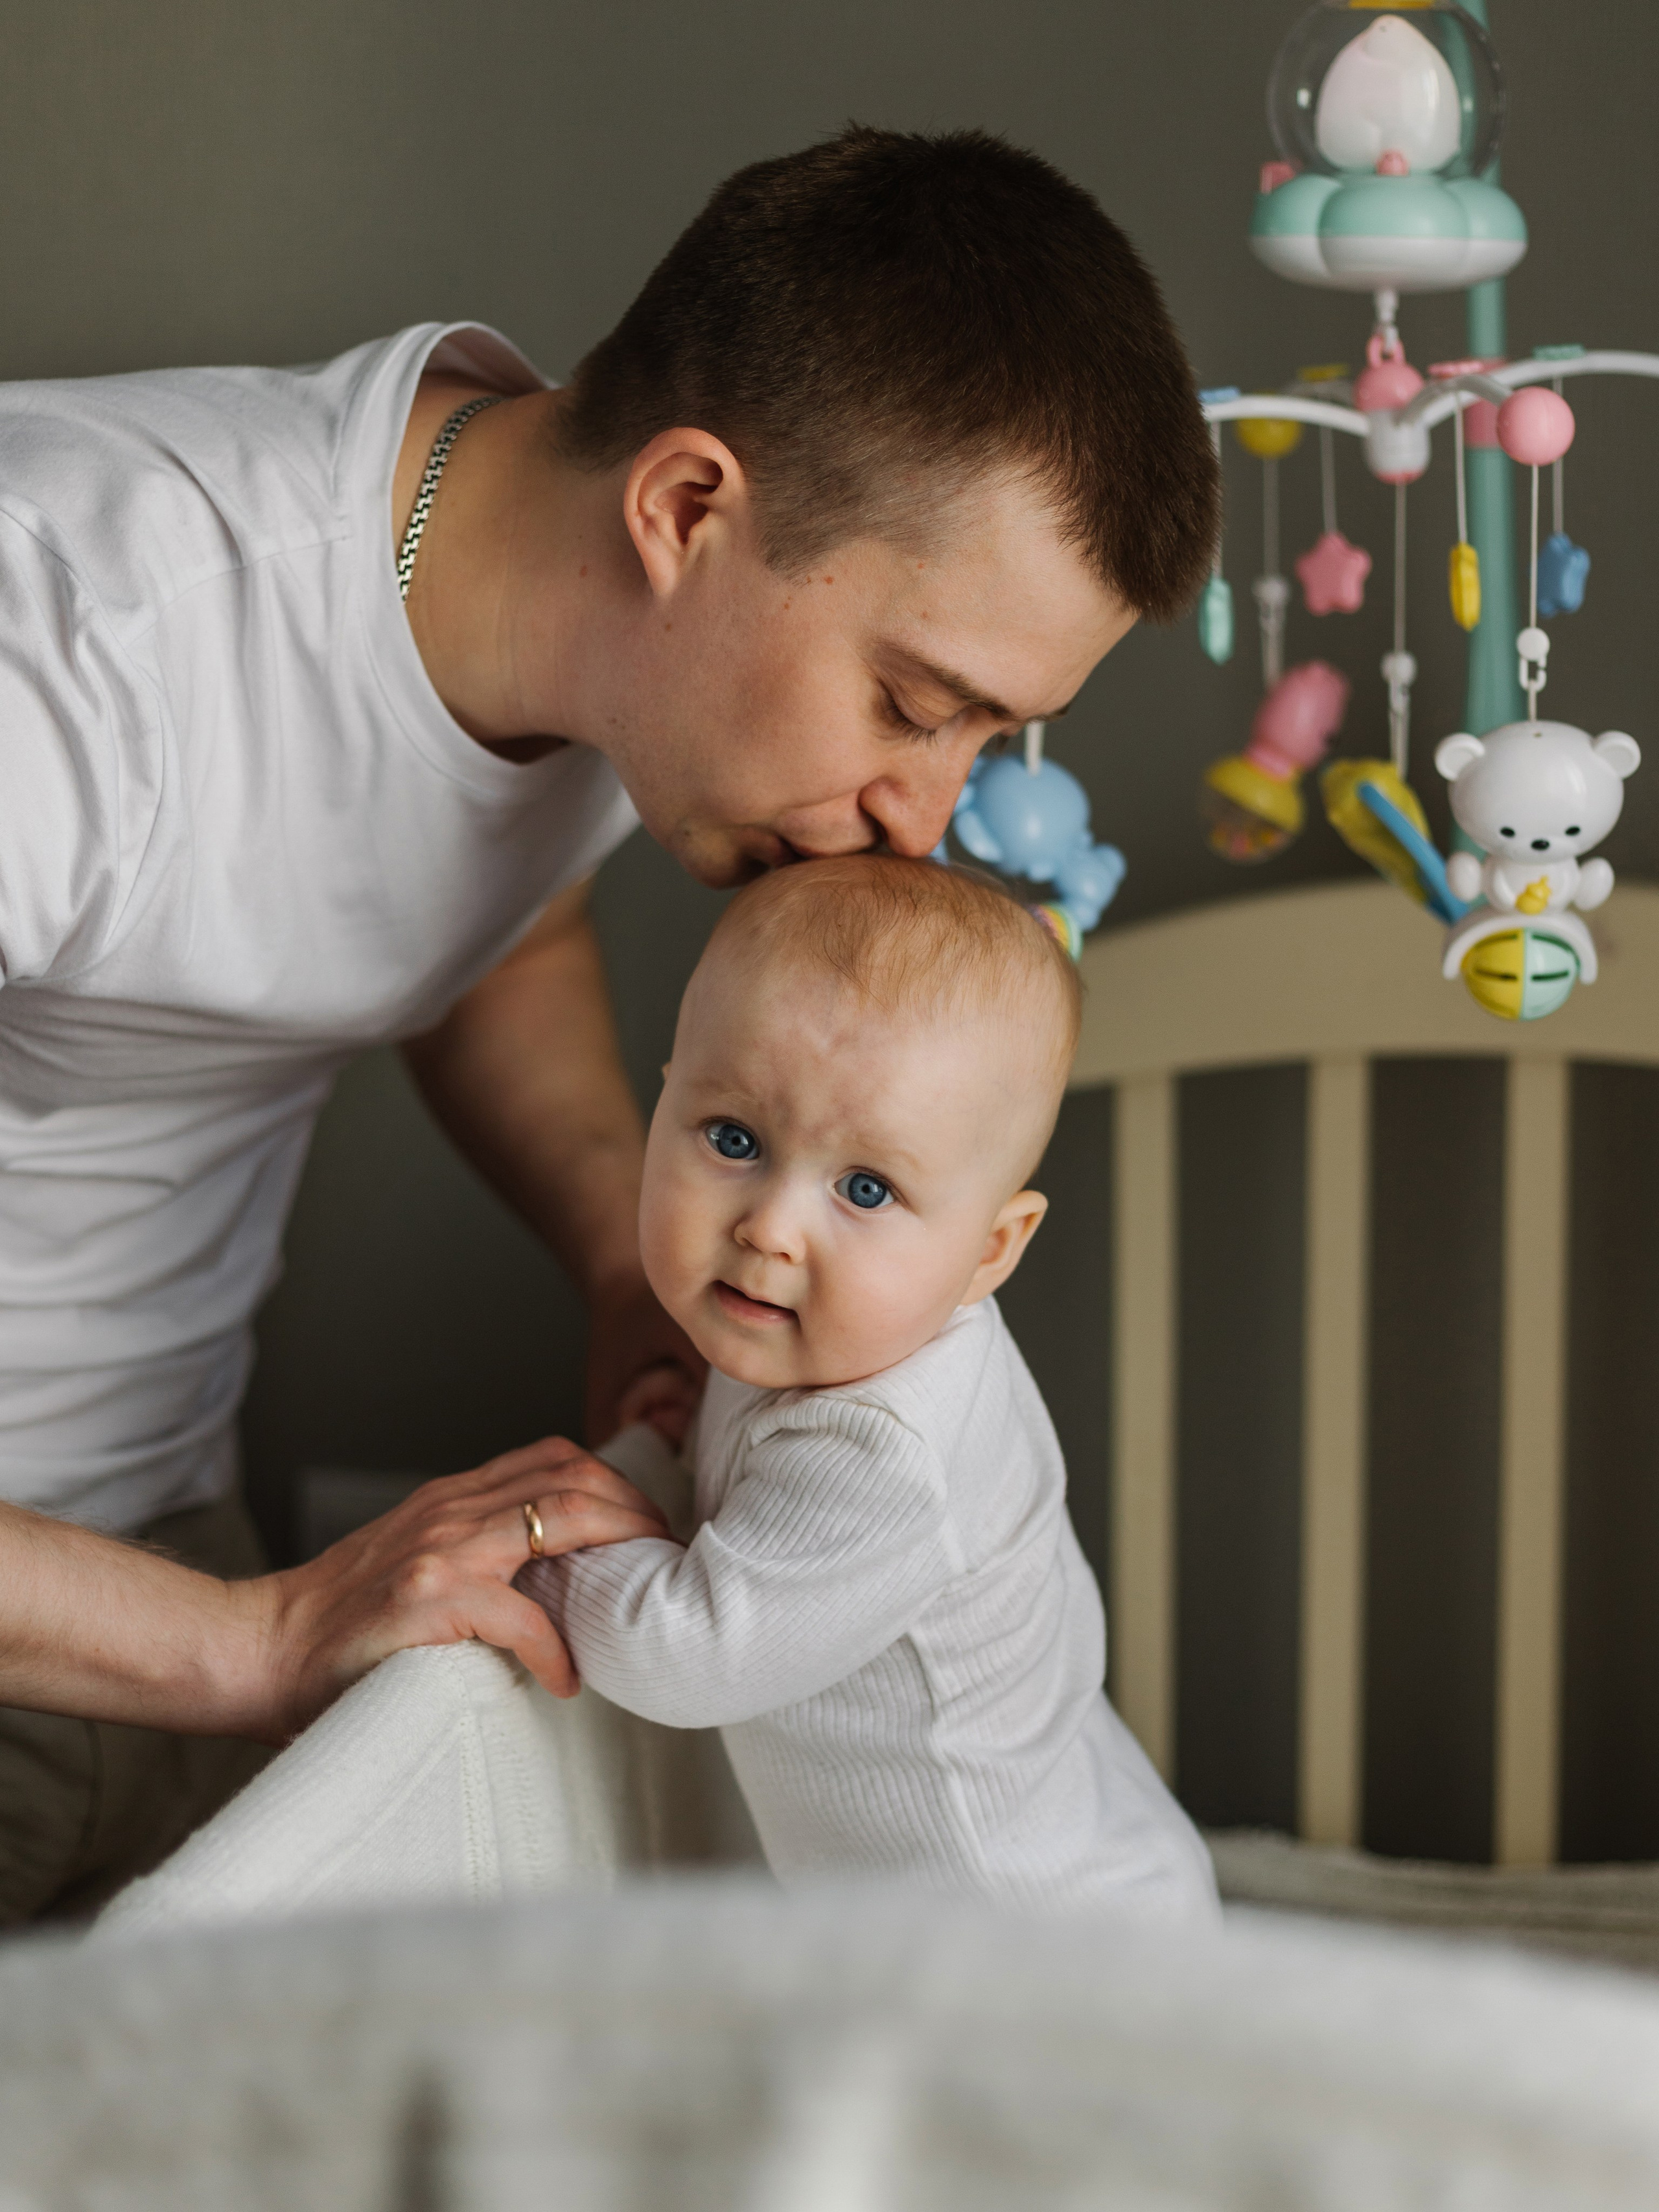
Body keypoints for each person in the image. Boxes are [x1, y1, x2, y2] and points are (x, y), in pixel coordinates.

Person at [0, 124, 1216, 1918]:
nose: (926, 813)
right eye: (911, 702)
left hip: (150, 1524)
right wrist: (249, 1643)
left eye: (982, 741)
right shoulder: (71, 639)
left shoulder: (580, 652)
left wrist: (612, 1253)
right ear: (685, 511)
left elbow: (484, 921)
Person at [519, 857, 1217, 1920]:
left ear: (990, 1248)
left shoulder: (889, 1450)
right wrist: (691, 1450)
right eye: (734, 1139)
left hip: (1029, 1948)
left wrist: (551, 1549)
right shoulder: (833, 1329)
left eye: (865, 1188)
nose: (772, 1227)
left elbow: (682, 1654)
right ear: (664, 1100)